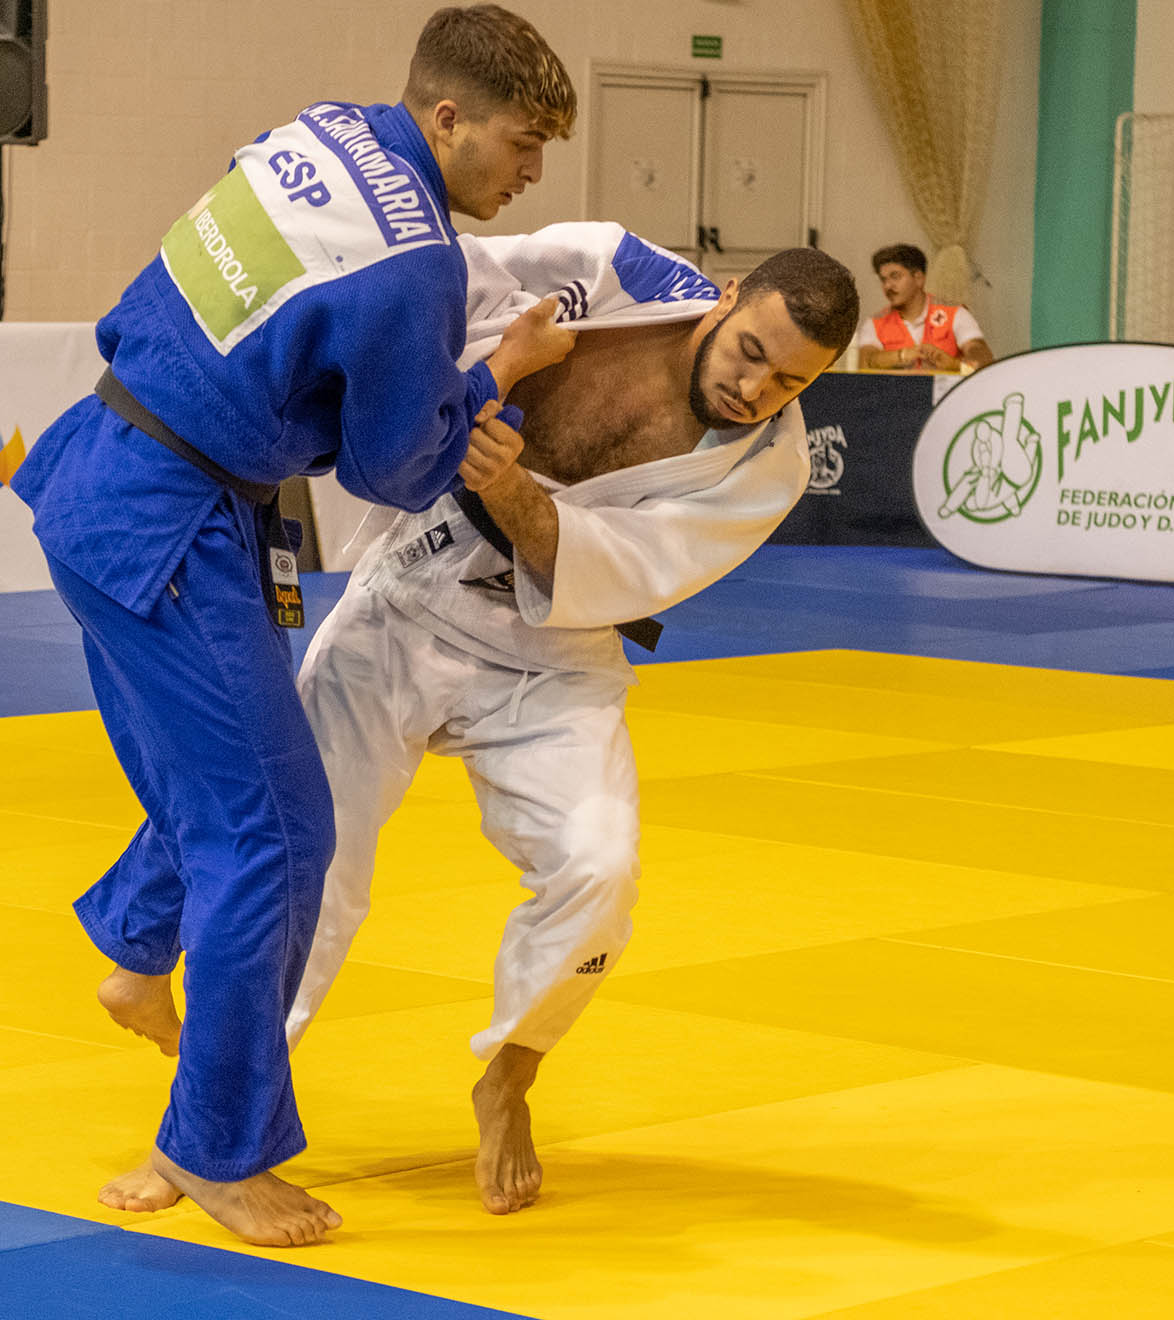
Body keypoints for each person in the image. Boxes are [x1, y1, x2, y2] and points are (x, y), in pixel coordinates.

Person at [8, 5, 577, 1247]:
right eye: (522, 142)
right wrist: (500, 377)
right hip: (172, 524)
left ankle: (138, 953)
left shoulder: (316, 136)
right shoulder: (417, 266)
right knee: (273, 830)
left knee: (223, 789)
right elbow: (394, 468)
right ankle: (217, 1150)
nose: (532, 172)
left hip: (104, 471)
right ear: (448, 117)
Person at [288, 228, 857, 1215]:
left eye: (790, 383)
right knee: (308, 857)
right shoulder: (610, 272)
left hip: (555, 653)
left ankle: (511, 1076)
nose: (756, 390)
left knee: (601, 868)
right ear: (725, 298)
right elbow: (433, 274)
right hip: (408, 598)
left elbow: (610, 571)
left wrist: (502, 478)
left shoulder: (768, 468)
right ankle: (227, 1108)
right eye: (751, 353)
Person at [855, 242, 991, 371]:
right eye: (883, 279)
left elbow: (982, 359)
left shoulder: (955, 313)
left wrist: (953, 364)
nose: (887, 286)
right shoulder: (875, 322)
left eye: (895, 276)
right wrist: (902, 355)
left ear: (918, 278)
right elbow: (864, 364)